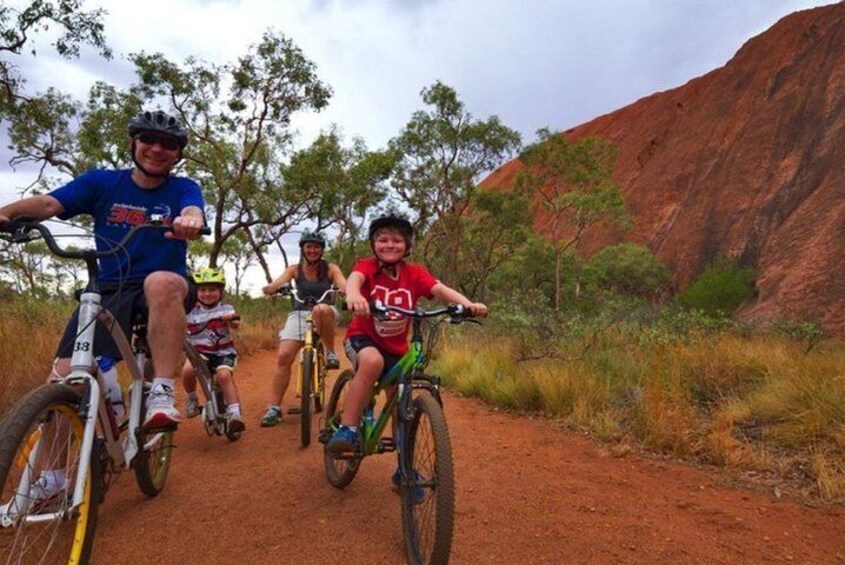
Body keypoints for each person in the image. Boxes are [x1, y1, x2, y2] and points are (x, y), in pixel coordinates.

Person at [0, 109, 205, 437]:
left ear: (177, 154)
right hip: (110, 289)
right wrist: (6, 213)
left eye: (167, 144)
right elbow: (50, 205)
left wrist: (191, 220)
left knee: (161, 280)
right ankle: (53, 479)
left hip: (167, 287)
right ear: (132, 143)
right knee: (64, 381)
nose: (156, 148)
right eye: (148, 139)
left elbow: (193, 208)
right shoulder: (102, 182)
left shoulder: (183, 188)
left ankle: (162, 392)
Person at [326, 213, 487, 465]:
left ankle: (405, 470)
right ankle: (348, 428)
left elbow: (440, 290)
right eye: (383, 240)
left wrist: (468, 305)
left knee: (399, 399)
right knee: (372, 362)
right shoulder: (366, 267)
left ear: (407, 246)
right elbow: (355, 280)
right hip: (362, 338)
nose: (390, 245)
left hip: (396, 348)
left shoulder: (414, 273)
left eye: (397, 241)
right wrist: (355, 295)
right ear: (373, 245)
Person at [259, 231, 347, 427]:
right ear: (303, 249)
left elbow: (343, 283)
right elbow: (278, 282)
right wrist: (270, 288)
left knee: (321, 308)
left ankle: (331, 353)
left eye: (316, 247)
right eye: (309, 246)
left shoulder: (331, 268)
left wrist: (345, 289)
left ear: (322, 250)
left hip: (326, 313)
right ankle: (274, 408)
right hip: (299, 314)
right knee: (284, 357)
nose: (313, 250)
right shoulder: (295, 270)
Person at [182, 267, 245, 433]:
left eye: (212, 289)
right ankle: (191, 399)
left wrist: (231, 320)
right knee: (188, 370)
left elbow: (235, 325)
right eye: (202, 290)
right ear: (196, 292)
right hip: (199, 353)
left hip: (223, 353)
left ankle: (234, 414)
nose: (207, 294)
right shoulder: (190, 313)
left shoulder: (225, 309)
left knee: (224, 376)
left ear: (221, 291)